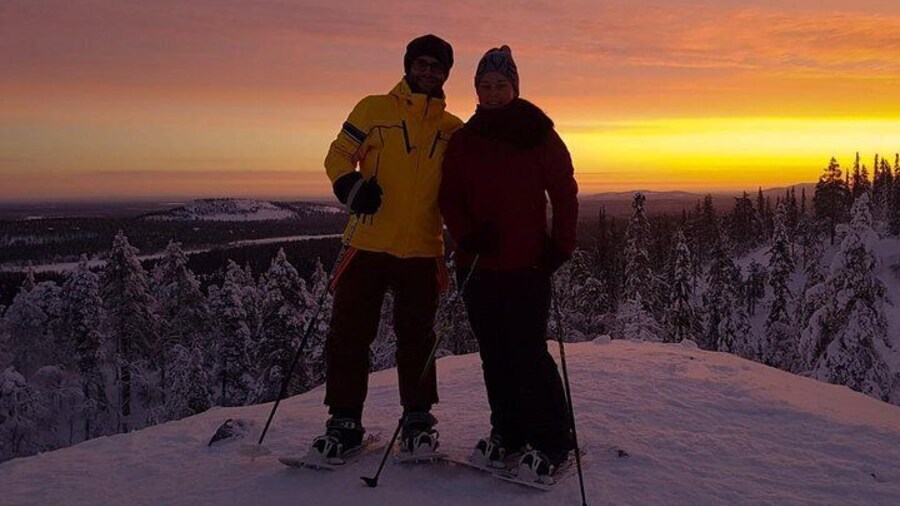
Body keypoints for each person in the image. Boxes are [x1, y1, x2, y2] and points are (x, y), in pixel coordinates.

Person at [312, 34, 463, 462]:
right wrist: (351, 186)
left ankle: (418, 419)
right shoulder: (373, 109)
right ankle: (344, 420)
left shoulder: (453, 129)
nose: (428, 72)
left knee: (417, 338)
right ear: (408, 65)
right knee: (349, 334)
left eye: (436, 66)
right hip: (367, 242)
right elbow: (339, 154)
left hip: (423, 248)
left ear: (445, 74)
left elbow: (466, 185)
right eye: (421, 64)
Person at [438, 45, 579, 481]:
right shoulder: (464, 140)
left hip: (526, 265)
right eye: (485, 85)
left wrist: (560, 246)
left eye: (501, 85)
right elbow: (449, 197)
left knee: (529, 354)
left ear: (514, 87)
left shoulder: (538, 133)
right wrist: (466, 234)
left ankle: (553, 441)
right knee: (494, 355)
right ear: (476, 90)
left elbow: (564, 192)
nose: (493, 93)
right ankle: (509, 433)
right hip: (478, 266)